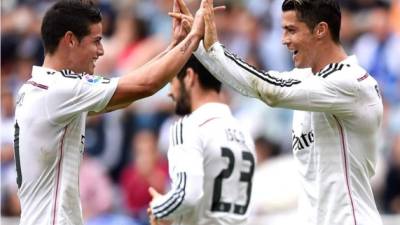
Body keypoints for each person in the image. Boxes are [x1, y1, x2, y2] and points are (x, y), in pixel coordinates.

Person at [171, 0, 384, 224]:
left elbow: (271, 91)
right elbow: (253, 84)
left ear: (320, 30)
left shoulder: (351, 82)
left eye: (291, 30)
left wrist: (214, 48)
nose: (284, 40)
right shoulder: (305, 80)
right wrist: (197, 44)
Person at [13, 0, 206, 225]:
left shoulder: (38, 88)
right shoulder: (61, 90)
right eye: (96, 41)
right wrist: (194, 37)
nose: (101, 51)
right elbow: (145, 86)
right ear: (70, 40)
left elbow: (130, 88)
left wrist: (174, 46)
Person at [147, 55, 256, 225]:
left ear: (189, 76)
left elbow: (187, 196)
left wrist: (158, 207)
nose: (170, 92)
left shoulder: (187, 127)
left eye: (171, 81)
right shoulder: (244, 133)